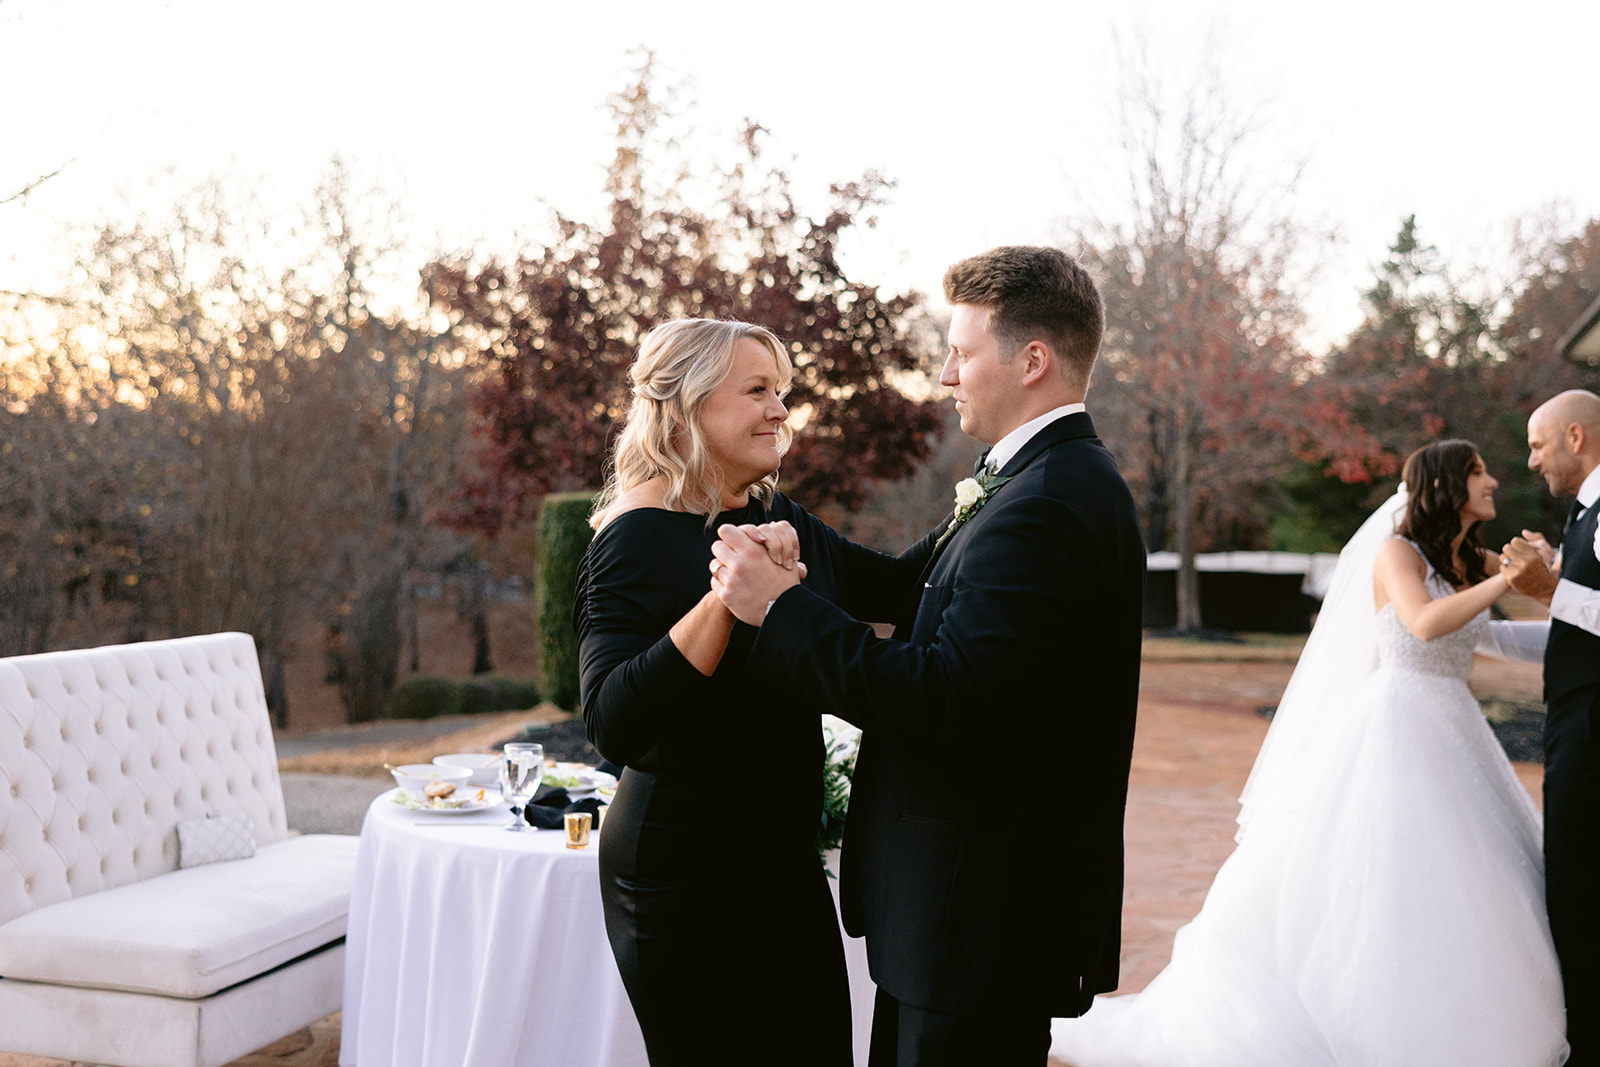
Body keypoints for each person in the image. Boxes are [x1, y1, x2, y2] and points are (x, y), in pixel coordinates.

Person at [710, 245, 1147, 1066]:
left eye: (960, 352)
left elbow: (948, 697)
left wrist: (778, 610)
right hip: (963, 919)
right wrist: (767, 507)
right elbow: (902, 585)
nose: (945, 374)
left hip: (978, 917)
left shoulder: (1049, 504)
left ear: (1032, 361)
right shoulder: (1033, 478)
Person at [1047, 440, 1567, 1066]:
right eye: (1478, 472)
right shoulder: (1397, 552)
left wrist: (1551, 582)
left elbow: (1504, 625)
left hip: (1456, 724)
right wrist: (1506, 580)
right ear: (1444, 484)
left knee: (1475, 868)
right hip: (1399, 723)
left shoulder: (1467, 557)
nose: (1493, 481)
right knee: (1386, 864)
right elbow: (1425, 622)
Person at [574, 317, 932, 1066]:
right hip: (682, 875)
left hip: (781, 860)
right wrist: (728, 599)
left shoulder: (773, 513)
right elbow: (613, 723)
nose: (780, 410)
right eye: (758, 390)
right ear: (686, 407)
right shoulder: (635, 533)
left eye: (781, 391)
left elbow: (900, 587)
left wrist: (990, 496)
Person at [1502, 388, 1600, 1066]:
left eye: (1537, 445)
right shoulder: (1583, 515)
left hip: (1594, 731)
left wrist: (1548, 589)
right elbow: (1577, 631)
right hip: (1576, 723)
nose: (1532, 461)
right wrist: (1472, 631)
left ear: (1575, 436)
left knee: (1578, 890)